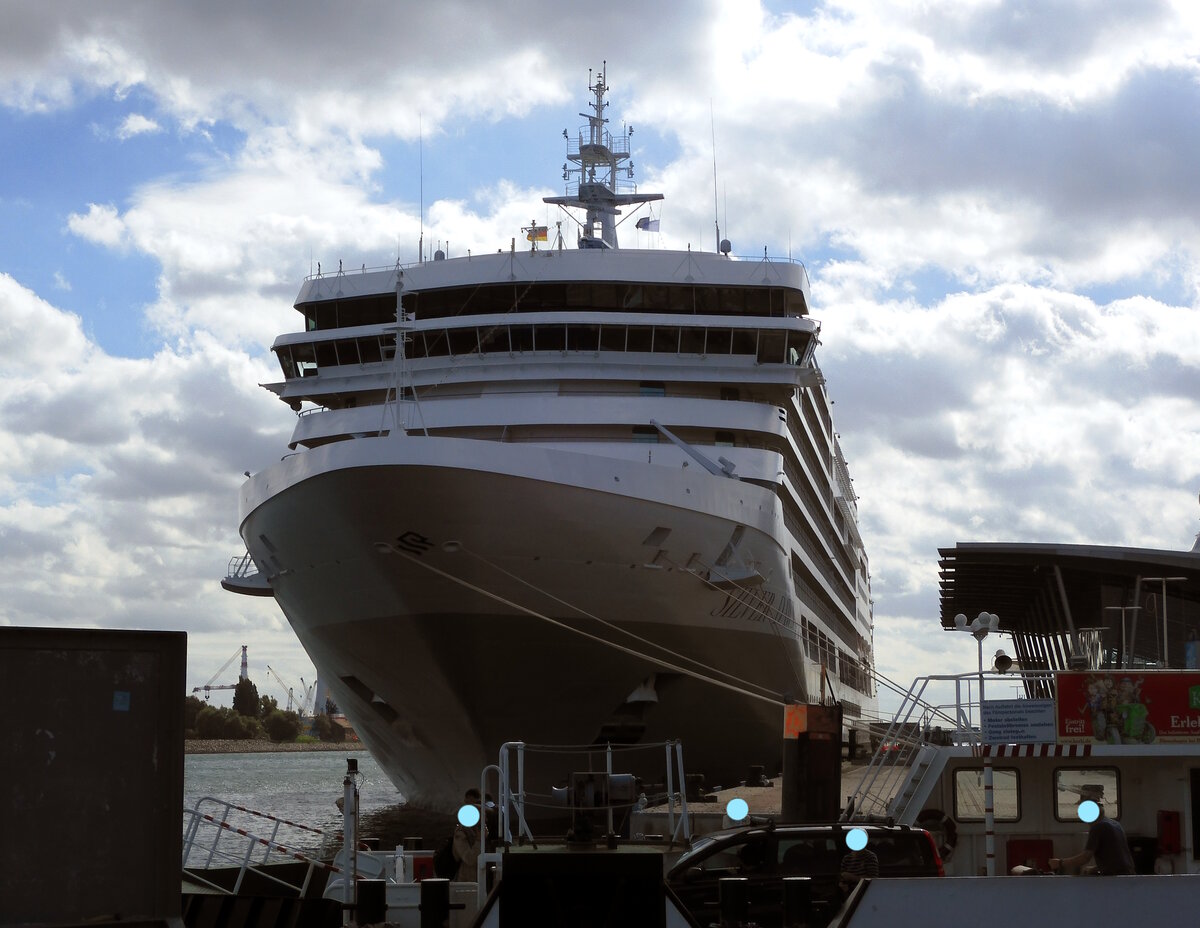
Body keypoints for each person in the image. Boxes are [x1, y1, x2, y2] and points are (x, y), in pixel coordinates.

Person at [1048, 785, 1134, 875]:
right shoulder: (1115, 824)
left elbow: (1085, 858)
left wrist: (1060, 863)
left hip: (1116, 879)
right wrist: (1097, 868)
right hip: (1127, 874)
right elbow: (1117, 858)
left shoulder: (1099, 827)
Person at [453, 788, 485, 882]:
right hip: (467, 881)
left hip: (479, 880)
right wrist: (479, 841)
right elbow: (469, 859)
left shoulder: (478, 830)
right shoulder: (461, 833)